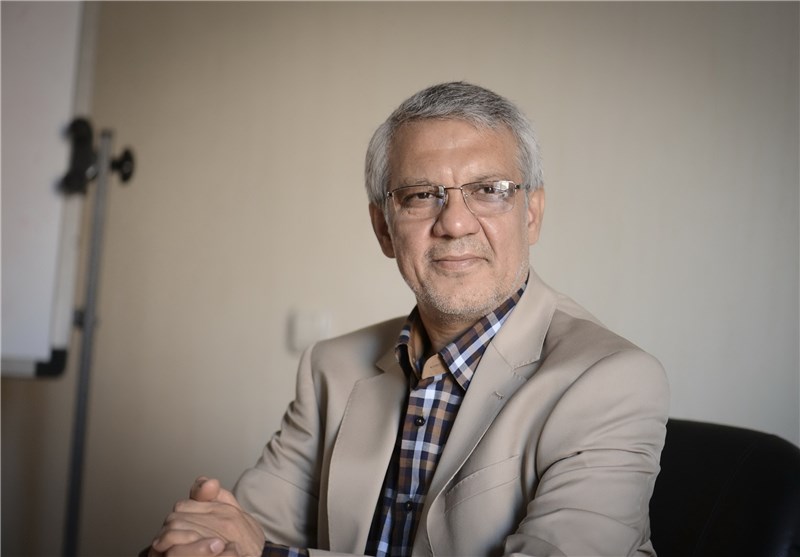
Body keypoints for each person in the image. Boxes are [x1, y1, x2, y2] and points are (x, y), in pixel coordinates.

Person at [148, 82, 669, 557]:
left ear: (530, 215)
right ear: (383, 229)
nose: (455, 223)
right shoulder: (331, 369)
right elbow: (248, 530)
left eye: (489, 190)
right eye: (421, 195)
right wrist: (207, 544)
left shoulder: (611, 381)